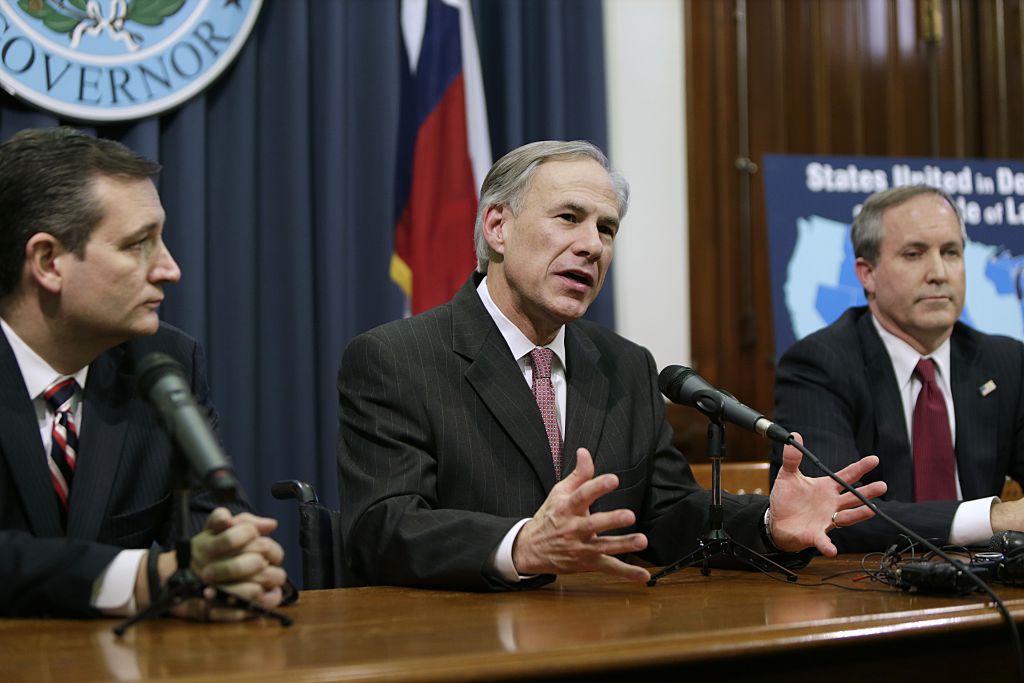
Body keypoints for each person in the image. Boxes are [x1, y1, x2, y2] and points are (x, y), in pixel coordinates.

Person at [337, 140, 886, 590]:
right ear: (498, 227)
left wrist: (768, 525)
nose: (591, 246)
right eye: (568, 218)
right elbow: (384, 526)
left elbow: (667, 514)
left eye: (606, 229)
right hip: (459, 644)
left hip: (604, 636)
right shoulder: (396, 358)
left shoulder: (625, 366)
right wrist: (520, 545)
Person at [0, 127, 288, 618]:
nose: (169, 269)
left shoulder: (165, 364)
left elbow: (211, 532)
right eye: (139, 245)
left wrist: (236, 567)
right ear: (48, 261)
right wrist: (144, 578)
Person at [771, 184, 1024, 552]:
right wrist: (993, 518)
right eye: (914, 254)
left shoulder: (1005, 362)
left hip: (986, 585)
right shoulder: (818, 364)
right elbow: (827, 513)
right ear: (867, 274)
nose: (938, 272)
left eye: (951, 252)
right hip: (867, 588)